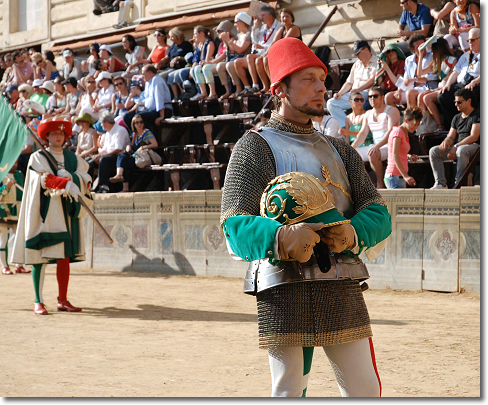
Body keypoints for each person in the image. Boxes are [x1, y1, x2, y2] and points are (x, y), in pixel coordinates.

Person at [220, 37, 391, 397]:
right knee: (289, 391)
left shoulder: (339, 149)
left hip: (341, 280)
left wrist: (353, 233)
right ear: (279, 89)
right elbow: (234, 223)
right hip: (283, 282)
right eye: (307, 79)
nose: (320, 87)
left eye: (322, 78)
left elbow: (377, 212)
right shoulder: (254, 146)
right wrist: (279, 237)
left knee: (366, 391)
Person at [12, 119, 92, 315]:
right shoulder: (38, 157)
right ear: (46, 136)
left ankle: (62, 299)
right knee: (40, 256)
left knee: (64, 256)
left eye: (62, 133)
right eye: (54, 133)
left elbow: (86, 177)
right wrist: (63, 182)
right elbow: (42, 179)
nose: (59, 136)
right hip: (45, 214)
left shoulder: (73, 158)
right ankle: (38, 300)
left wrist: (73, 179)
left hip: (67, 212)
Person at [429, 88, 479, 189]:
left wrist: (456, 146)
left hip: (475, 147)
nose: (456, 104)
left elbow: (474, 137)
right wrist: (446, 142)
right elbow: (451, 136)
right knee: (434, 151)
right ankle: (440, 183)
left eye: (459, 102)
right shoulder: (456, 117)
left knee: (461, 150)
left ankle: (459, 182)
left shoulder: (477, 115)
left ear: (469, 101)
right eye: (455, 102)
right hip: (459, 146)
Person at [352, 86, 401, 189]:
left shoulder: (391, 110)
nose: (372, 99)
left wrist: (376, 146)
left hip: (391, 146)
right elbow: (362, 134)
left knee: (373, 153)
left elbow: (391, 133)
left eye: (375, 96)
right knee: (351, 155)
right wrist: (350, 148)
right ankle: (371, 183)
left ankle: (380, 184)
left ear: (382, 97)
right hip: (376, 146)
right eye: (370, 97)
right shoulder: (368, 114)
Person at [326, 40, 377, 128]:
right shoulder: (357, 64)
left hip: (366, 93)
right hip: (353, 93)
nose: (357, 56)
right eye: (356, 54)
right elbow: (349, 82)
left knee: (356, 99)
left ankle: (353, 127)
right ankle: (347, 126)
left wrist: (358, 89)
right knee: (331, 103)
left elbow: (372, 80)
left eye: (358, 53)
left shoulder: (376, 61)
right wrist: (340, 93)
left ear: (366, 50)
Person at [437, 27, 480, 129]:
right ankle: (455, 126)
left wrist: (474, 82)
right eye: (468, 40)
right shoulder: (465, 55)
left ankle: (473, 125)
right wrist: (448, 84)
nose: (470, 42)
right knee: (443, 96)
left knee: (469, 95)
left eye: (473, 40)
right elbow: (456, 72)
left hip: (476, 83)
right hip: (462, 84)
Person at [234, 6, 281, 96]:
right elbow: (254, 41)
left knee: (250, 57)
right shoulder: (263, 28)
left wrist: (262, 48)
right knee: (237, 62)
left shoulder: (279, 26)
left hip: (268, 53)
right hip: (260, 54)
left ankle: (256, 86)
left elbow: (275, 43)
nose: (261, 18)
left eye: (263, 15)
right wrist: (255, 26)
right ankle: (247, 87)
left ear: (270, 15)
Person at [416, 37, 457, 131]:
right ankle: (426, 124)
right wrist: (420, 55)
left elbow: (452, 79)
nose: (431, 52)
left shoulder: (452, 60)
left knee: (427, 98)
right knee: (420, 96)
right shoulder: (436, 62)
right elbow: (419, 73)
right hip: (441, 87)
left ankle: (440, 126)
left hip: (450, 87)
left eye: (433, 49)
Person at [109, 114, 158, 192]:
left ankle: (121, 180)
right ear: (133, 125)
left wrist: (143, 147)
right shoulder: (134, 134)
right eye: (137, 123)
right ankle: (120, 177)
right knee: (121, 158)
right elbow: (132, 145)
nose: (139, 124)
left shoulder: (147, 132)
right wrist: (129, 146)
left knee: (123, 163)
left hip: (143, 158)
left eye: (141, 122)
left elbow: (155, 145)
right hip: (136, 156)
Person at [0, 161, 30, 275]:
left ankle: (19, 265)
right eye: (13, 162)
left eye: (17, 162)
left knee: (20, 238)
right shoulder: (1, 174)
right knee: (3, 239)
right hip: (4, 211)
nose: (15, 164)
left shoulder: (19, 174)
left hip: (18, 210)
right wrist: (6, 187)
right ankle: (5, 266)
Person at [193, 20, 234, 101]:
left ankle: (213, 92)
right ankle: (203, 92)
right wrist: (211, 60)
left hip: (227, 62)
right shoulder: (221, 43)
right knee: (198, 68)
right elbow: (217, 55)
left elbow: (225, 54)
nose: (217, 33)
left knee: (206, 68)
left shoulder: (231, 40)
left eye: (219, 31)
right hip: (219, 63)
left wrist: (210, 61)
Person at [123, 64, 172, 131]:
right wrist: (139, 104)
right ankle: (136, 137)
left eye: (143, 74)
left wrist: (161, 116)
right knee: (127, 116)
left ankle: (150, 137)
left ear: (149, 72)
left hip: (163, 110)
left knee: (139, 118)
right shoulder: (148, 82)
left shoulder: (156, 80)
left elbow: (159, 98)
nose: (142, 76)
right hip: (151, 110)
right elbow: (147, 99)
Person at [92, 111, 130, 193]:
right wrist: (97, 155)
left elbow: (118, 149)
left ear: (106, 122)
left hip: (121, 158)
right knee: (90, 161)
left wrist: (102, 156)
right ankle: (88, 186)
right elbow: (106, 149)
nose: (101, 125)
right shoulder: (108, 133)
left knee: (104, 160)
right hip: (111, 156)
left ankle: (104, 186)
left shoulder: (120, 130)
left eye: (101, 123)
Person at [384, 107, 422, 189]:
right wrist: (406, 176)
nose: (416, 127)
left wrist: (409, 156)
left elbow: (399, 152)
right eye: (414, 124)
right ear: (406, 121)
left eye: (417, 125)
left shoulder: (404, 133)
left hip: (398, 176)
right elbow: (394, 155)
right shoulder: (398, 132)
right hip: (394, 176)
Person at [222, 12, 253, 99]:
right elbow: (233, 50)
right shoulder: (238, 35)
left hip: (245, 58)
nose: (234, 25)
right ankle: (231, 90)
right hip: (237, 58)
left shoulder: (248, 34)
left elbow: (240, 50)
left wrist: (229, 41)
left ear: (243, 22)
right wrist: (226, 41)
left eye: (236, 22)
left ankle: (243, 88)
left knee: (230, 65)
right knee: (221, 66)